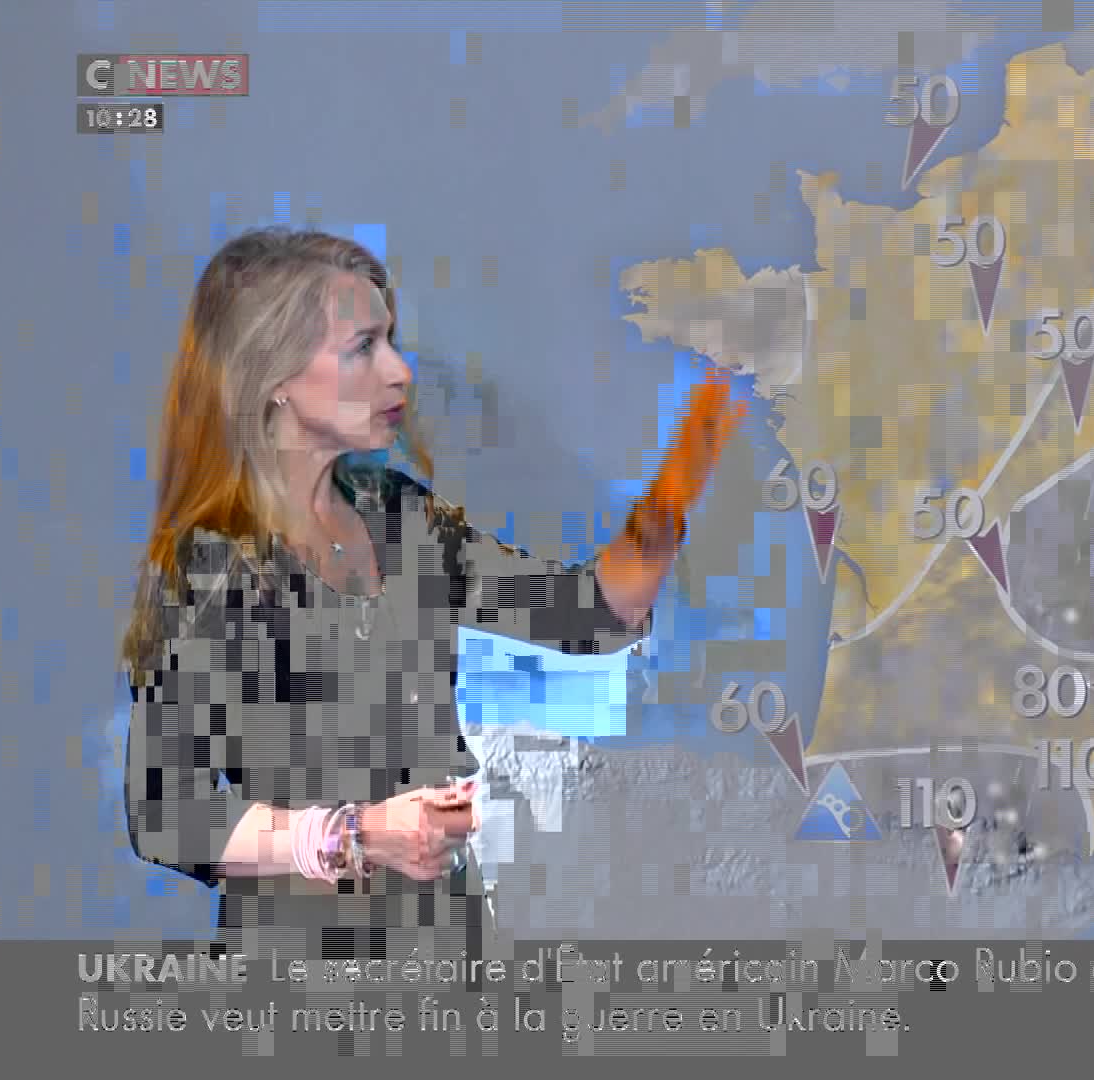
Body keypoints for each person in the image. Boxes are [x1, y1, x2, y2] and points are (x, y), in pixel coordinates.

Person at [121, 226, 742, 967]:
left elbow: (591, 613)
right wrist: (357, 835)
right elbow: (164, 812)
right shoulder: (209, 568)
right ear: (274, 375)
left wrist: (696, 448)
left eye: (391, 341)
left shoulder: (400, 517)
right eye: (363, 347)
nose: (399, 372)